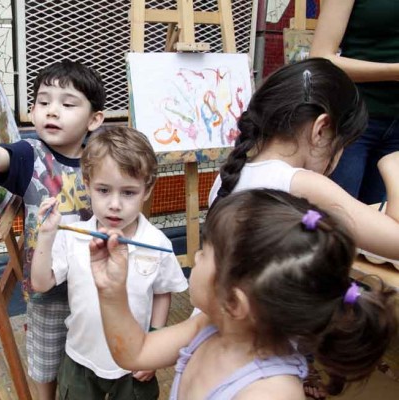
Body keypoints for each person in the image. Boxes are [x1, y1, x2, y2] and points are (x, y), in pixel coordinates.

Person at [91, 189, 398, 399]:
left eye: (205, 252)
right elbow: (136, 353)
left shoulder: (270, 392)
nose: (196, 257)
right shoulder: (207, 328)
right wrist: (111, 291)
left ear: (234, 303)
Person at [0, 60, 105, 400]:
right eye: (44, 102)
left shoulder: (103, 158)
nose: (52, 111)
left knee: (91, 358)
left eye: (67, 104)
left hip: (95, 283)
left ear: (95, 119)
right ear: (32, 110)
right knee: (45, 362)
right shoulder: (32, 155)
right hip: (47, 290)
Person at [32, 127, 189, 399]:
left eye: (128, 193)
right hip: (81, 357)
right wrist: (46, 235)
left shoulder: (158, 242)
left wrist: (154, 339)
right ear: (87, 182)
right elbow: (41, 283)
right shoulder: (73, 237)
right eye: (104, 190)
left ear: (147, 190)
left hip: (134, 359)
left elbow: (162, 292)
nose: (115, 204)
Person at [208, 57, 399, 262]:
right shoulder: (304, 186)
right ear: (321, 129)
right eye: (343, 143)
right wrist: (392, 165)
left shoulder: (227, 176)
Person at [310, 0, 399, 204]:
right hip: (354, 121)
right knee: (336, 218)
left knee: (384, 226)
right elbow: (321, 57)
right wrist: (394, 72)